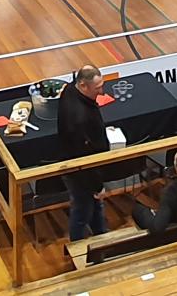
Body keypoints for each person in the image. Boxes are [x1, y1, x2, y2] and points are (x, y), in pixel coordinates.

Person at [58, 65, 112, 242]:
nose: (102, 92)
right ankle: (78, 248)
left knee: (95, 207)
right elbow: (86, 155)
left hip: (82, 167)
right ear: (82, 85)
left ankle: (101, 236)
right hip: (80, 172)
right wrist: (97, 186)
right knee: (81, 212)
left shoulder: (69, 90)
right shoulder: (80, 117)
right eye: (97, 88)